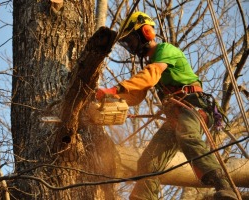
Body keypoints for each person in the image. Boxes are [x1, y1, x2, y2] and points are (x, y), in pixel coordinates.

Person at [95, 11, 237, 200]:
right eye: (127, 45)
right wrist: (111, 97)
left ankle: (223, 186)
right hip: (176, 118)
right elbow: (136, 94)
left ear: (145, 32)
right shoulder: (152, 63)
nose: (131, 47)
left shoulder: (164, 50)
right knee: (147, 162)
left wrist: (115, 88)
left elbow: (150, 75)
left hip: (194, 107)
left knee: (186, 134)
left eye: (131, 41)